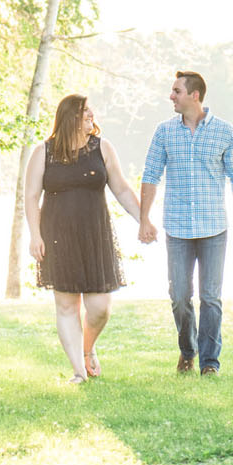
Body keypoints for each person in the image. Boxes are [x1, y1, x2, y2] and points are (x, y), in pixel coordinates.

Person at [25, 93, 151, 383]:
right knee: (67, 306)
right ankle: (78, 373)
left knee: (100, 308)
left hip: (96, 236)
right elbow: (31, 196)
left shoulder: (102, 148)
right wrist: (35, 235)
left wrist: (143, 220)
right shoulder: (43, 152)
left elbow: (120, 188)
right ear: (70, 117)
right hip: (57, 237)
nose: (90, 115)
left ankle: (88, 348)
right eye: (84, 112)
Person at [138, 70, 233, 376]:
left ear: (194, 95)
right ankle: (187, 350)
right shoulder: (164, 132)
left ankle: (209, 363)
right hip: (177, 228)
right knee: (179, 296)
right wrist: (144, 218)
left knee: (210, 297)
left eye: (176, 91)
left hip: (214, 228)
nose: (171, 96)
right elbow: (150, 175)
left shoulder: (224, 131)